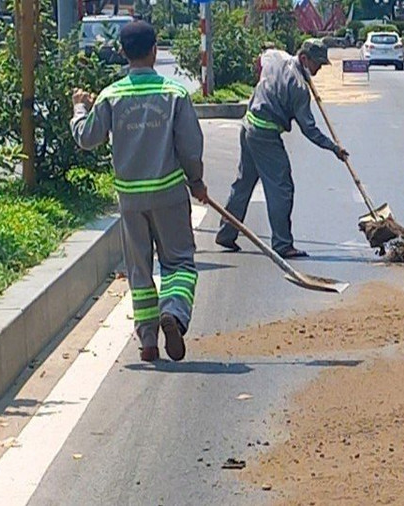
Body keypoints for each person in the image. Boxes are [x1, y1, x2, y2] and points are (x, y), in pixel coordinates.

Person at [70, 21, 208, 362]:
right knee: (180, 264)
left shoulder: (111, 96)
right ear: (155, 50)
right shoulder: (174, 94)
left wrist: (79, 107)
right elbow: (190, 148)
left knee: (139, 270)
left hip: (130, 199)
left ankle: (148, 343)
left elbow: (87, 138)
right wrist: (197, 181)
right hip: (170, 194)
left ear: (122, 53)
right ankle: (173, 313)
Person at [215, 39, 348, 258]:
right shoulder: (299, 88)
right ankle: (282, 244)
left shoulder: (277, 57)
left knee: (244, 183)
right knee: (281, 188)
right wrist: (334, 148)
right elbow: (309, 130)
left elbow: (262, 58)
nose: (319, 69)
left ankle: (226, 233)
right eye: (317, 64)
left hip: (248, 124)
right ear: (304, 59)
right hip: (265, 133)